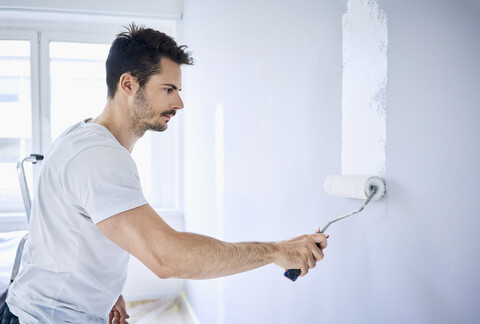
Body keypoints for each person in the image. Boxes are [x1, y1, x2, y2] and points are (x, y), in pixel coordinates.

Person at [2, 23, 328, 323]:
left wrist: (107, 293)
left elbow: (78, 229)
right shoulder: (98, 157)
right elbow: (165, 258)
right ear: (129, 84)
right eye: (169, 89)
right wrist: (275, 251)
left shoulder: (85, 137)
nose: (180, 104)